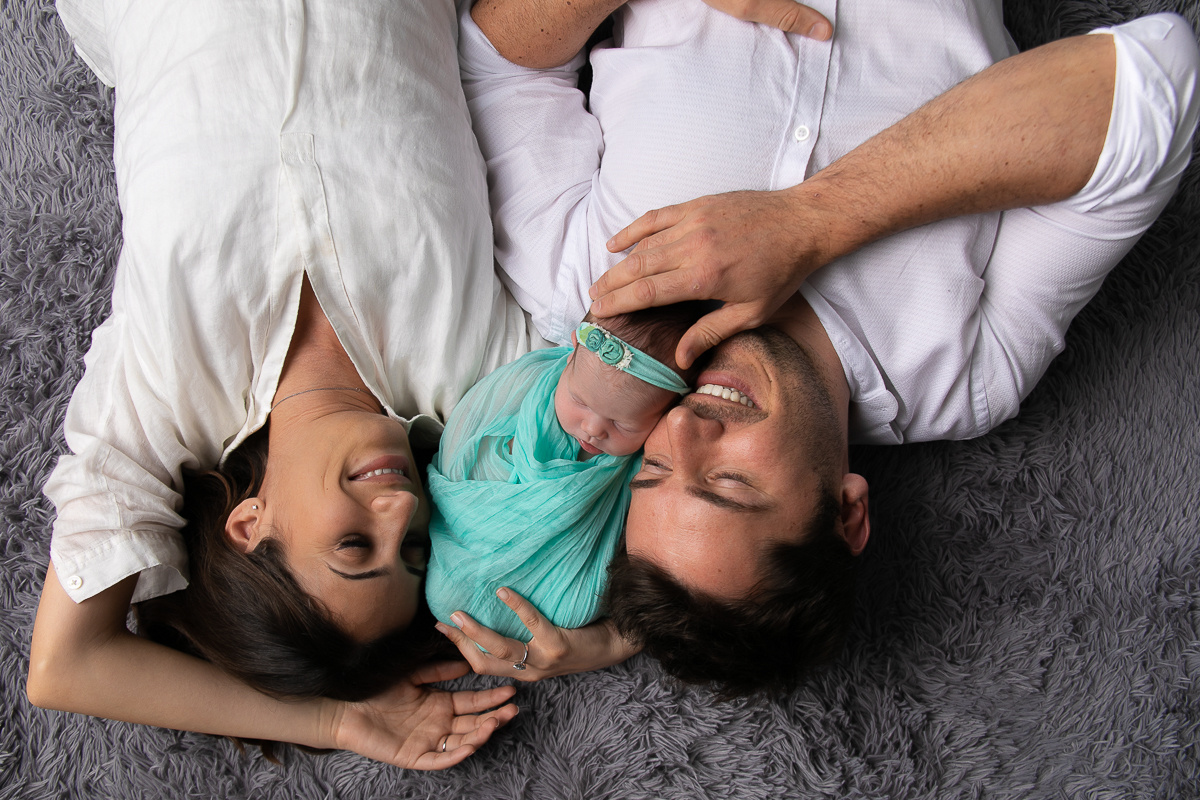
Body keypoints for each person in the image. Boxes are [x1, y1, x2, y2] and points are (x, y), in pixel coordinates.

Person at [445, 0, 1200, 695]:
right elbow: (1156, 76)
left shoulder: (592, 304)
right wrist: (815, 221)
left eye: (655, 471)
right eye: (730, 485)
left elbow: (499, 59)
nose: (684, 427)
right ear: (847, 513)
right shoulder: (966, 374)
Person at [26, 0, 543, 766]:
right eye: (414, 551)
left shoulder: (165, 392)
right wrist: (606, 636)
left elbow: (66, 667)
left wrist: (335, 723)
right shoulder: (474, 370)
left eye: (353, 545)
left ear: (249, 523)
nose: (401, 508)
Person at [425, 305, 704, 647]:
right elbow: (465, 441)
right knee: (445, 591)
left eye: (623, 424)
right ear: (571, 353)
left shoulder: (648, 456)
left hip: (562, 579)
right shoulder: (527, 381)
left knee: (574, 603)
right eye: (579, 400)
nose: (593, 429)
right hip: (478, 527)